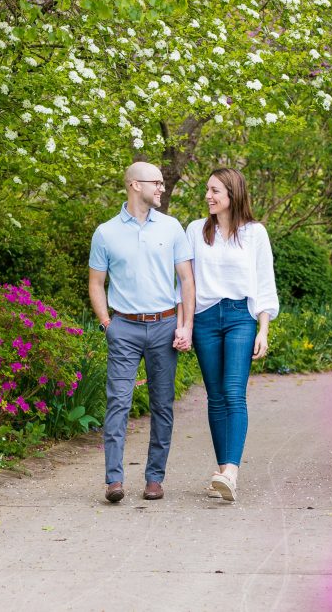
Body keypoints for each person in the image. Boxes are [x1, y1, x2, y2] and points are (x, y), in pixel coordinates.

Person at [88, 162, 195, 503]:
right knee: (117, 402)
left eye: (163, 182)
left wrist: (185, 325)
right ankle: (114, 481)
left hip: (165, 326)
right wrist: (108, 323)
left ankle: (154, 479)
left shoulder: (172, 227)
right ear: (135, 185)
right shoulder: (105, 233)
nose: (161, 188)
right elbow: (96, 283)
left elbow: (187, 280)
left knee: (163, 405)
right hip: (125, 327)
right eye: (156, 182)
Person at [185, 167, 278, 502]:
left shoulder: (255, 233)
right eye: (207, 190)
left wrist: (263, 329)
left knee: (233, 392)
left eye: (215, 191)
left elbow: (265, 283)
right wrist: (186, 323)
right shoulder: (196, 230)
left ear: (232, 195)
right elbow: (187, 282)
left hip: (241, 316)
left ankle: (231, 472)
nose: (208, 196)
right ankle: (223, 470)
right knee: (215, 396)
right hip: (205, 319)